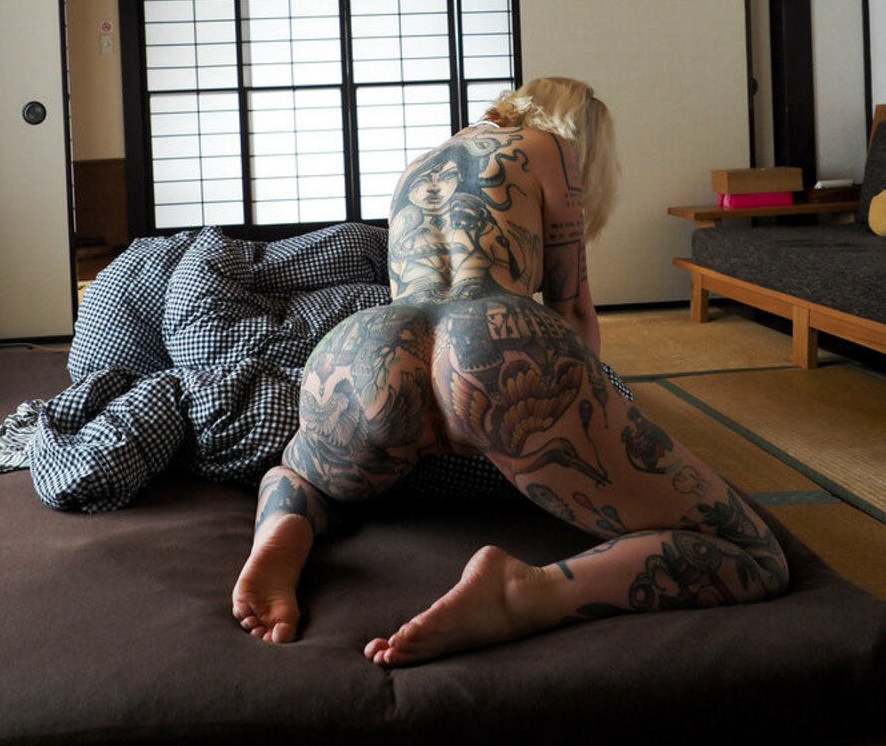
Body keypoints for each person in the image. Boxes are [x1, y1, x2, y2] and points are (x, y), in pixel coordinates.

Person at [231, 76, 789, 665]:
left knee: (303, 474)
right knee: (755, 556)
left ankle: (282, 530)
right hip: (496, 341)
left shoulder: (417, 167)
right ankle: (527, 591)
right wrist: (597, 404)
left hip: (369, 345)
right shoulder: (551, 149)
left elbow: (417, 309)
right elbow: (572, 309)